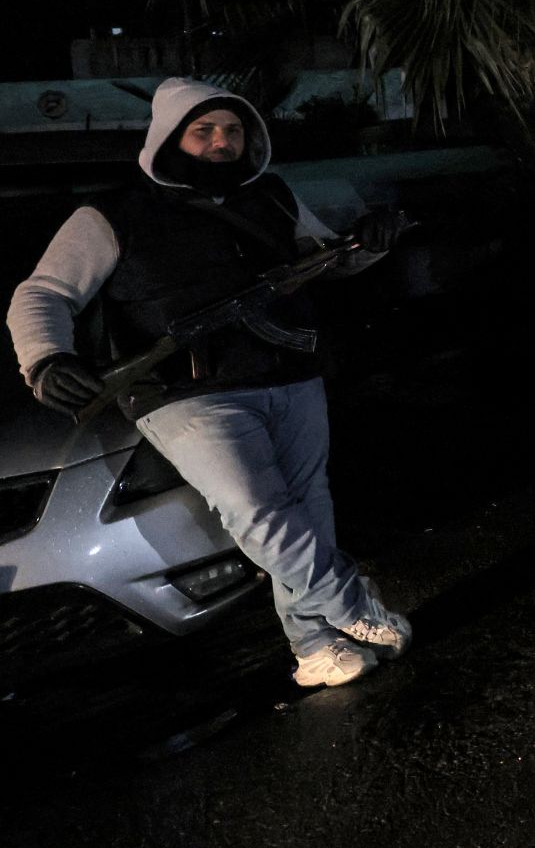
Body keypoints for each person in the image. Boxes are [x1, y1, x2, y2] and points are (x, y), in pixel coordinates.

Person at [8, 78, 413, 688]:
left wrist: (368, 243)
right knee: (258, 513)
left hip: (289, 374)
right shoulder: (111, 214)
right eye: (205, 131)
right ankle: (353, 605)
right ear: (171, 137)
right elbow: (43, 293)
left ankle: (314, 648)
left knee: (308, 510)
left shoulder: (269, 196)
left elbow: (322, 259)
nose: (223, 142)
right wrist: (45, 358)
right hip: (184, 393)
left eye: (233, 130)